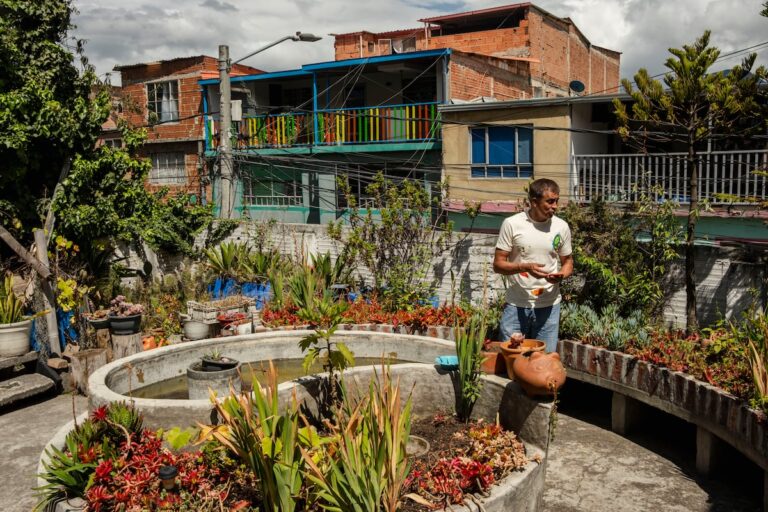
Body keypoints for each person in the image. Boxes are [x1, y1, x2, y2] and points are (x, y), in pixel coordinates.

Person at [492, 178, 573, 352]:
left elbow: (568, 262)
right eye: (550, 201)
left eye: (556, 201)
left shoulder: (561, 227)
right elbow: (498, 265)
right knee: (512, 360)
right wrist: (524, 267)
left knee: (542, 363)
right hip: (516, 304)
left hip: (549, 306)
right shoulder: (512, 224)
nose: (555, 206)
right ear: (534, 202)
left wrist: (561, 275)